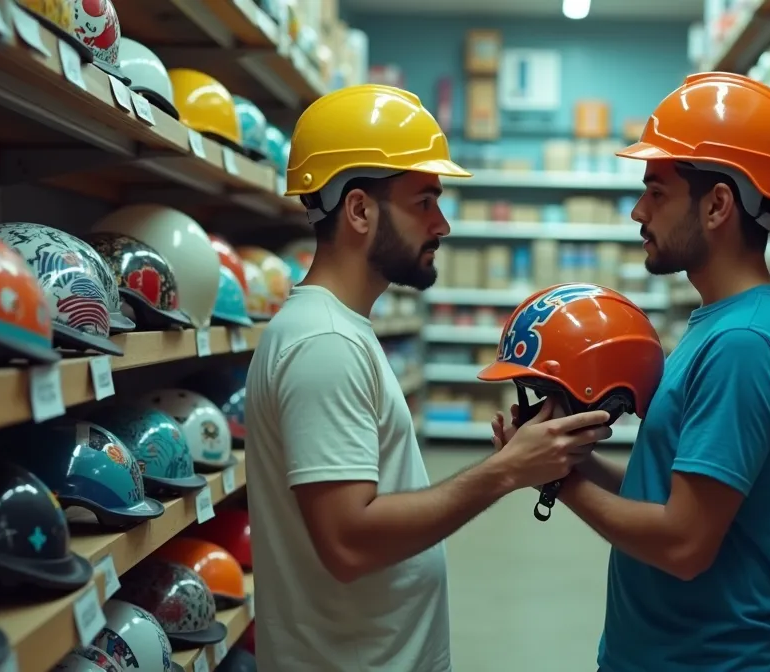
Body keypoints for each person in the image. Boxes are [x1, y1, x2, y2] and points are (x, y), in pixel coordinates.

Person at [243, 84, 614, 672]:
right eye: (424, 201)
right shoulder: (325, 344)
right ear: (359, 210)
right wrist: (506, 471)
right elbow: (348, 543)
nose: (442, 224)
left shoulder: (337, 330)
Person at [494, 72, 770, 671]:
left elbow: (684, 543)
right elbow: (669, 496)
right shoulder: (721, 325)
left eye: (657, 191)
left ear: (717, 205)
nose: (638, 211)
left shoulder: (743, 345)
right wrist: (562, 458)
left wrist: (558, 483)